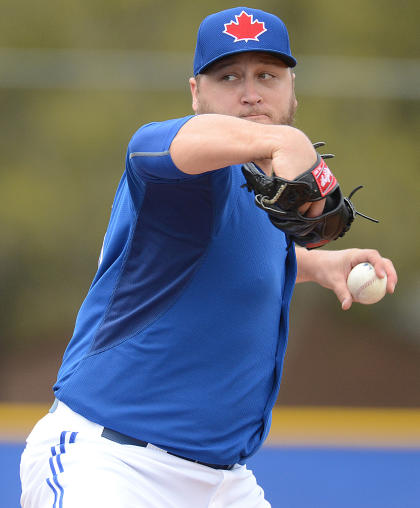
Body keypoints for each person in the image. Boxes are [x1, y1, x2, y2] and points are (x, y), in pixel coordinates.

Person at [20, 7, 397, 508]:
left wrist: (319, 264)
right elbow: (150, 146)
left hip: (223, 484)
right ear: (196, 93)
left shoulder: (265, 193)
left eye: (267, 75)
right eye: (228, 77)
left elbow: (237, 257)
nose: (250, 92)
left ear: (292, 91)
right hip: (111, 466)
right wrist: (281, 138)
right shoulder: (178, 175)